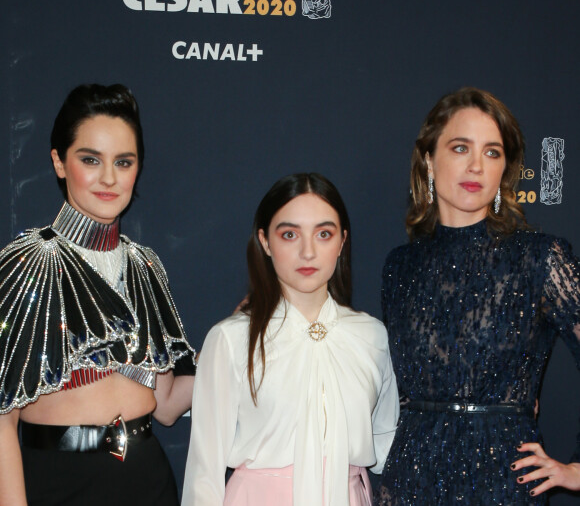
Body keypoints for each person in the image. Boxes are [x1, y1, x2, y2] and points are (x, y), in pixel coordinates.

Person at [374, 87, 580, 505]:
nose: (476, 165)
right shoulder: (400, 266)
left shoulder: (539, 258)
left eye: (492, 152)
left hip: (504, 484)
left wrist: (576, 469)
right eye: (460, 147)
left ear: (505, 169)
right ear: (429, 159)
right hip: (411, 481)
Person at [0, 84, 196, 506]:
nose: (109, 178)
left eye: (123, 162)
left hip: (148, 478)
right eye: (91, 159)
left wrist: (239, 340)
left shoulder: (146, 266)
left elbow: (164, 406)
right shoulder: (24, 264)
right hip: (60, 482)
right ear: (58, 162)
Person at [182, 173, 399, 506]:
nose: (308, 252)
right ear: (265, 241)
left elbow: (390, 443)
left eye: (323, 234)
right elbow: (204, 471)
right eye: (289, 234)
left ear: (342, 241)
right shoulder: (230, 339)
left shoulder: (372, 336)